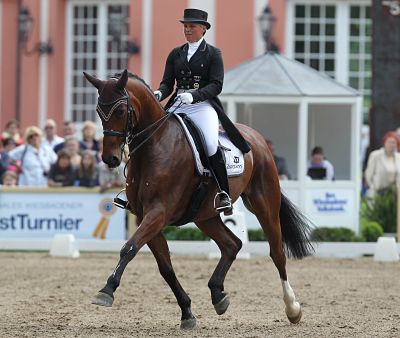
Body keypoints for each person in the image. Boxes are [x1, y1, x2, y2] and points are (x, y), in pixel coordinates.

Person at [153, 8, 251, 213]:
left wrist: (194, 96)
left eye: (191, 26)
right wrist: (159, 94)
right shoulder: (175, 53)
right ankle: (137, 189)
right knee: (154, 137)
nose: (187, 30)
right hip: (178, 104)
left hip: (202, 106)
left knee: (209, 143)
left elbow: (216, 85)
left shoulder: (213, 53)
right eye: (185, 26)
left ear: (203, 29)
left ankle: (223, 193)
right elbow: (167, 83)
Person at [364, 131, 400, 198]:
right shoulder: (375, 155)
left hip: (394, 195)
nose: (391, 145)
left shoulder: (398, 157)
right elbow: (368, 175)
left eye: (394, 143)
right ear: (384, 143)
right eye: (389, 142)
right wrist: (373, 187)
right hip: (377, 193)